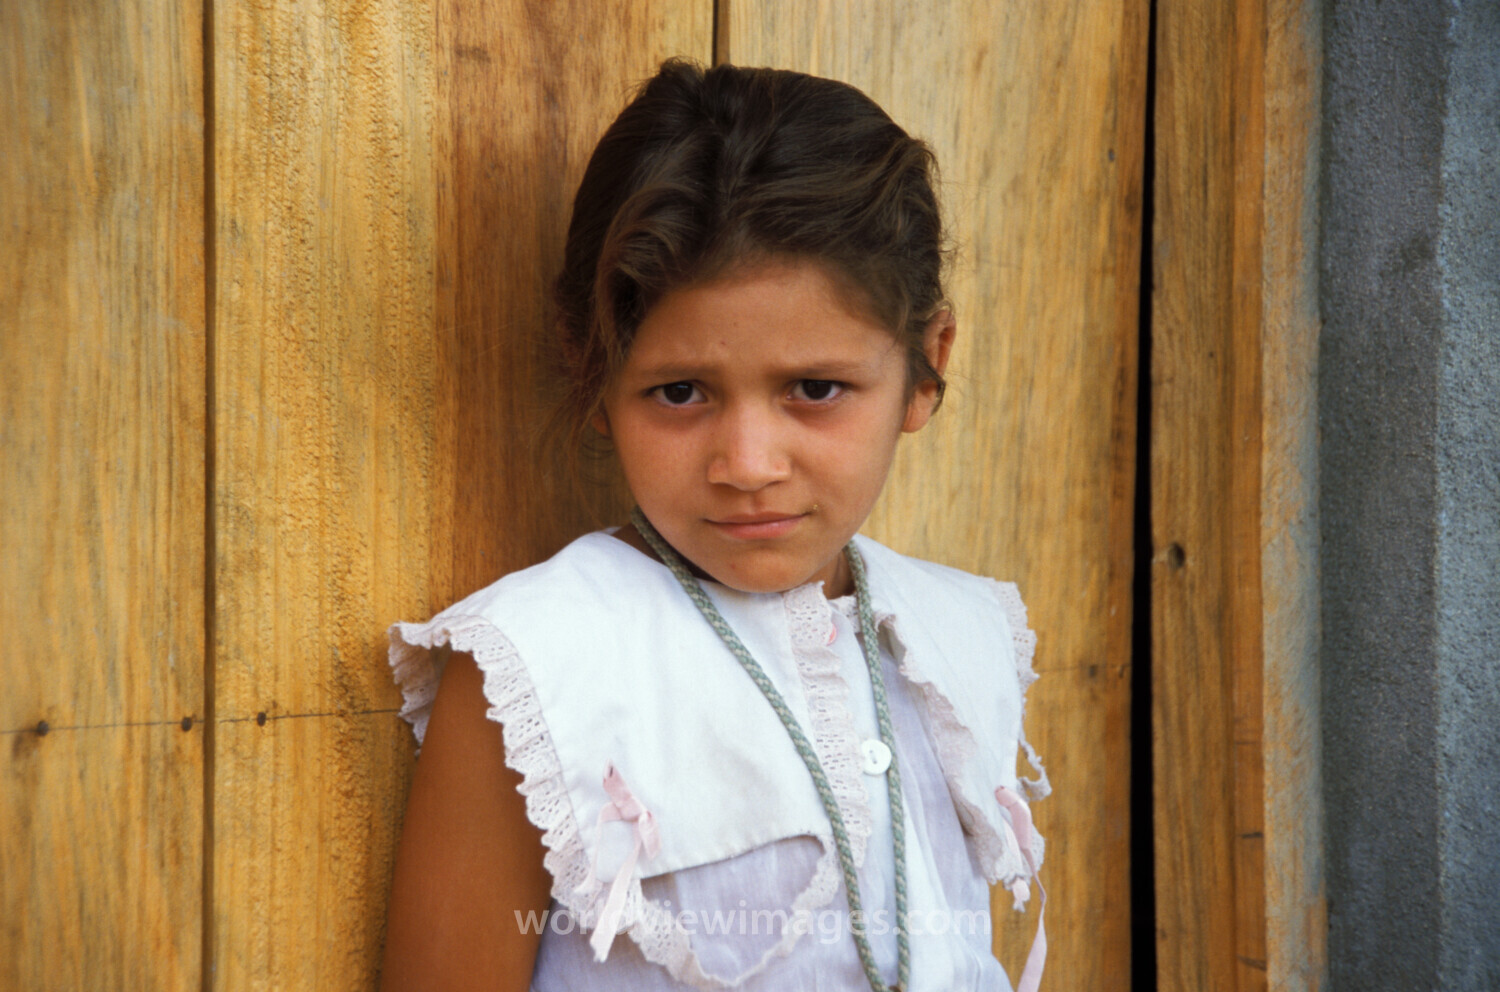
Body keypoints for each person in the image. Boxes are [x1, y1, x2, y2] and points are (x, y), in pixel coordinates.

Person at [379, 59, 1049, 992]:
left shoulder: (956, 644)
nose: (747, 463)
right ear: (593, 370)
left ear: (925, 367)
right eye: (680, 392)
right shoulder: (539, 671)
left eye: (816, 390)